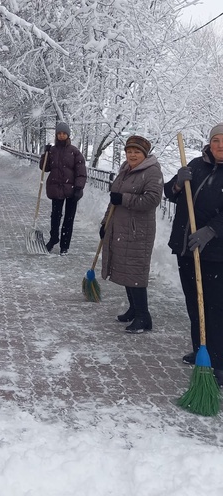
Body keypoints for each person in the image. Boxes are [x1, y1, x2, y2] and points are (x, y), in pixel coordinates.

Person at [164, 124, 223, 385]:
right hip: (186, 248)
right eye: (216, 140)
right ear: (209, 143)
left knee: (214, 307)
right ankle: (201, 349)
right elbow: (168, 193)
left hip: (215, 254)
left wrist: (212, 230)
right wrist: (178, 184)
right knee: (193, 302)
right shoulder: (196, 166)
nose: (220, 145)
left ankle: (218, 361)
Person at [100, 135, 163, 334]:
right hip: (120, 228)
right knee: (126, 270)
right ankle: (134, 309)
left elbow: (152, 200)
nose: (132, 155)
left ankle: (144, 317)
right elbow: (113, 200)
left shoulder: (152, 172)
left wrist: (124, 198)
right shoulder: (125, 170)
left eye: (137, 152)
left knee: (135, 272)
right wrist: (105, 223)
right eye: (129, 151)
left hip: (138, 232)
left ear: (144, 154)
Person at [40, 122, 87, 255]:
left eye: (64, 133)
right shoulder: (52, 151)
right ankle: (54, 238)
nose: (61, 136)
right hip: (56, 188)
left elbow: (81, 171)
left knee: (69, 218)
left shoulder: (74, 151)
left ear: (68, 135)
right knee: (55, 216)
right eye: (59, 133)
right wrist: (45, 154)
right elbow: (45, 167)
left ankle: (64, 245)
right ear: (56, 135)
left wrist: (79, 187)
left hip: (72, 190)